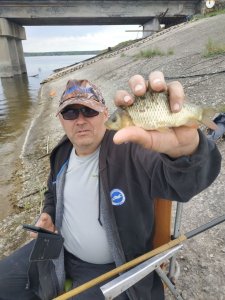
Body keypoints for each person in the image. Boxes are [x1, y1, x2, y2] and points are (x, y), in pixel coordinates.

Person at [0, 71, 221, 300]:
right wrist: (48, 213)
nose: (80, 119)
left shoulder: (131, 149)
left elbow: (184, 184)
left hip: (113, 267)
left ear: (105, 113)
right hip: (57, 251)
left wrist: (187, 152)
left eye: (89, 110)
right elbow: (52, 191)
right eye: (70, 112)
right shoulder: (62, 152)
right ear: (60, 119)